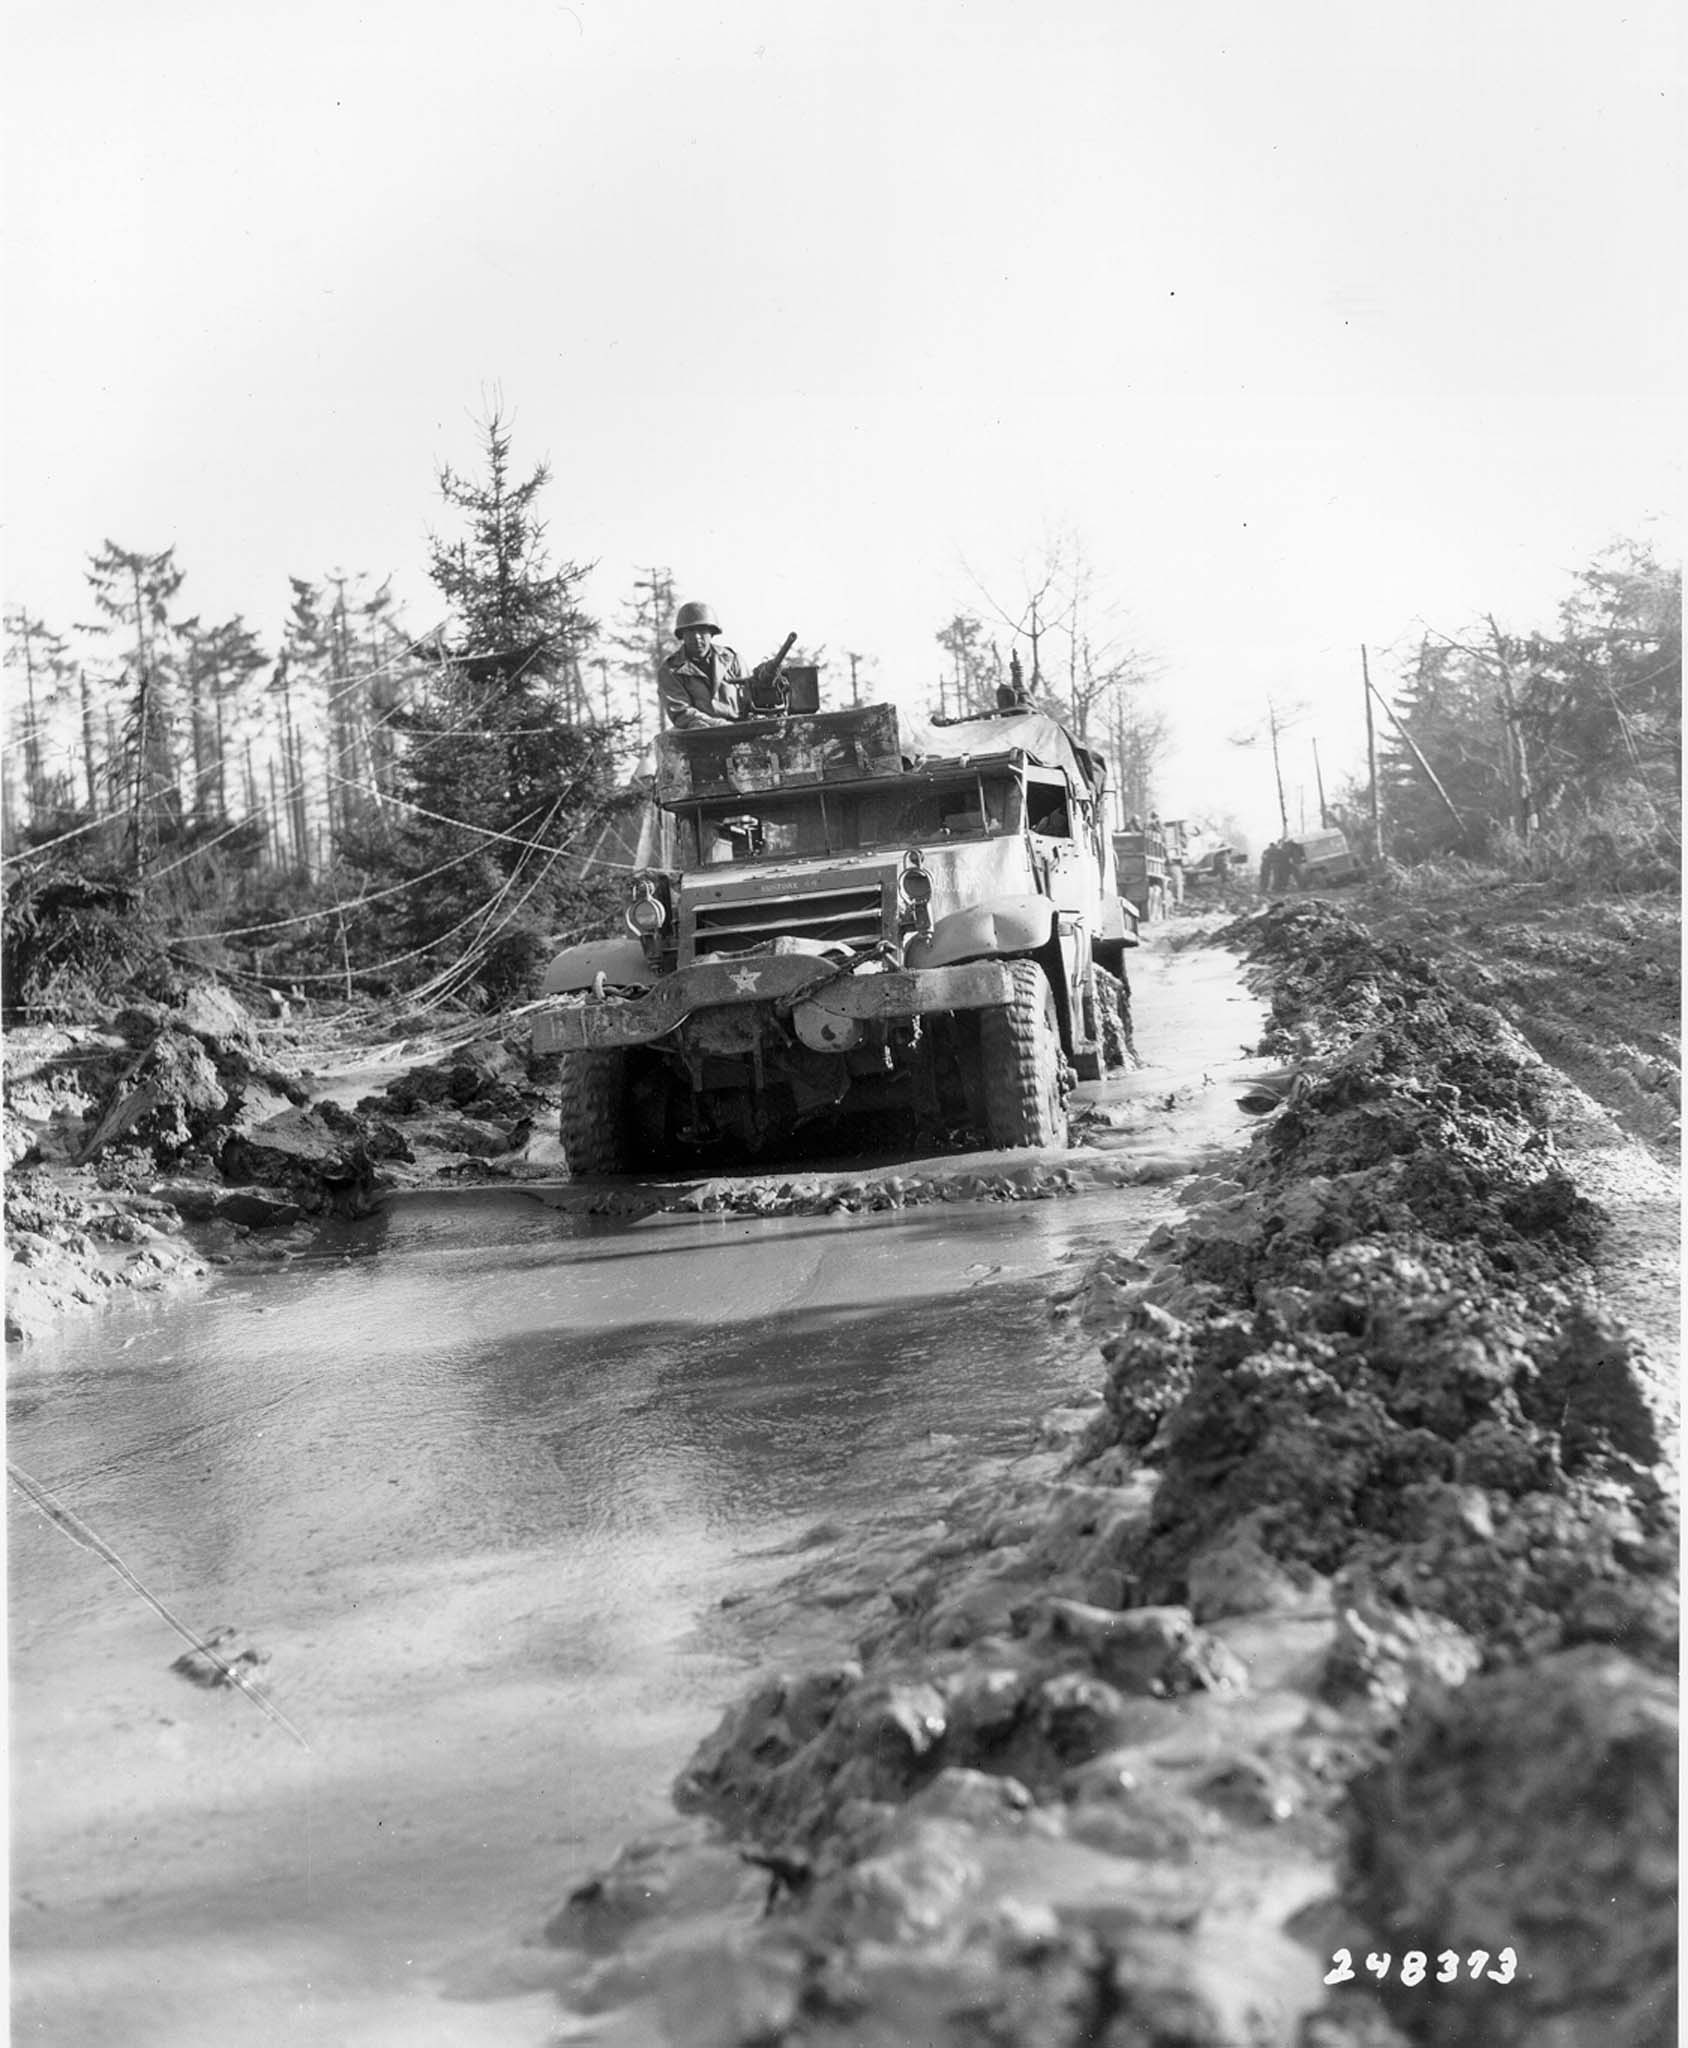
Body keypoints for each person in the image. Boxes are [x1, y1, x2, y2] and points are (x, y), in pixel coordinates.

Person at [661, 601, 747, 728]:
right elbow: (681, 712)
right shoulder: (671, 670)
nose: (696, 637)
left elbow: (750, 695)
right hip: (700, 733)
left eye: (701, 631)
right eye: (690, 631)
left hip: (742, 728)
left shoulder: (732, 659)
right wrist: (718, 725)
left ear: (711, 633)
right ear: (682, 635)